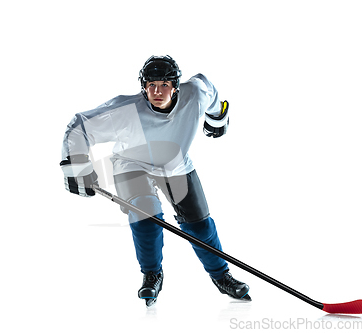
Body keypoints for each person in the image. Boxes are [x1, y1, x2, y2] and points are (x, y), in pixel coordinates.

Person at [60, 55, 251, 307]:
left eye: (164, 85)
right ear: (143, 86)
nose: (157, 91)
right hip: (131, 166)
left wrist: (217, 118)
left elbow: (211, 90)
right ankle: (152, 274)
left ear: (176, 86)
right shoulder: (124, 111)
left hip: (175, 164)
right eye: (151, 85)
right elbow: (78, 126)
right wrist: (76, 166)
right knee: (147, 216)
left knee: (200, 225)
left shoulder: (194, 94)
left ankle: (221, 276)